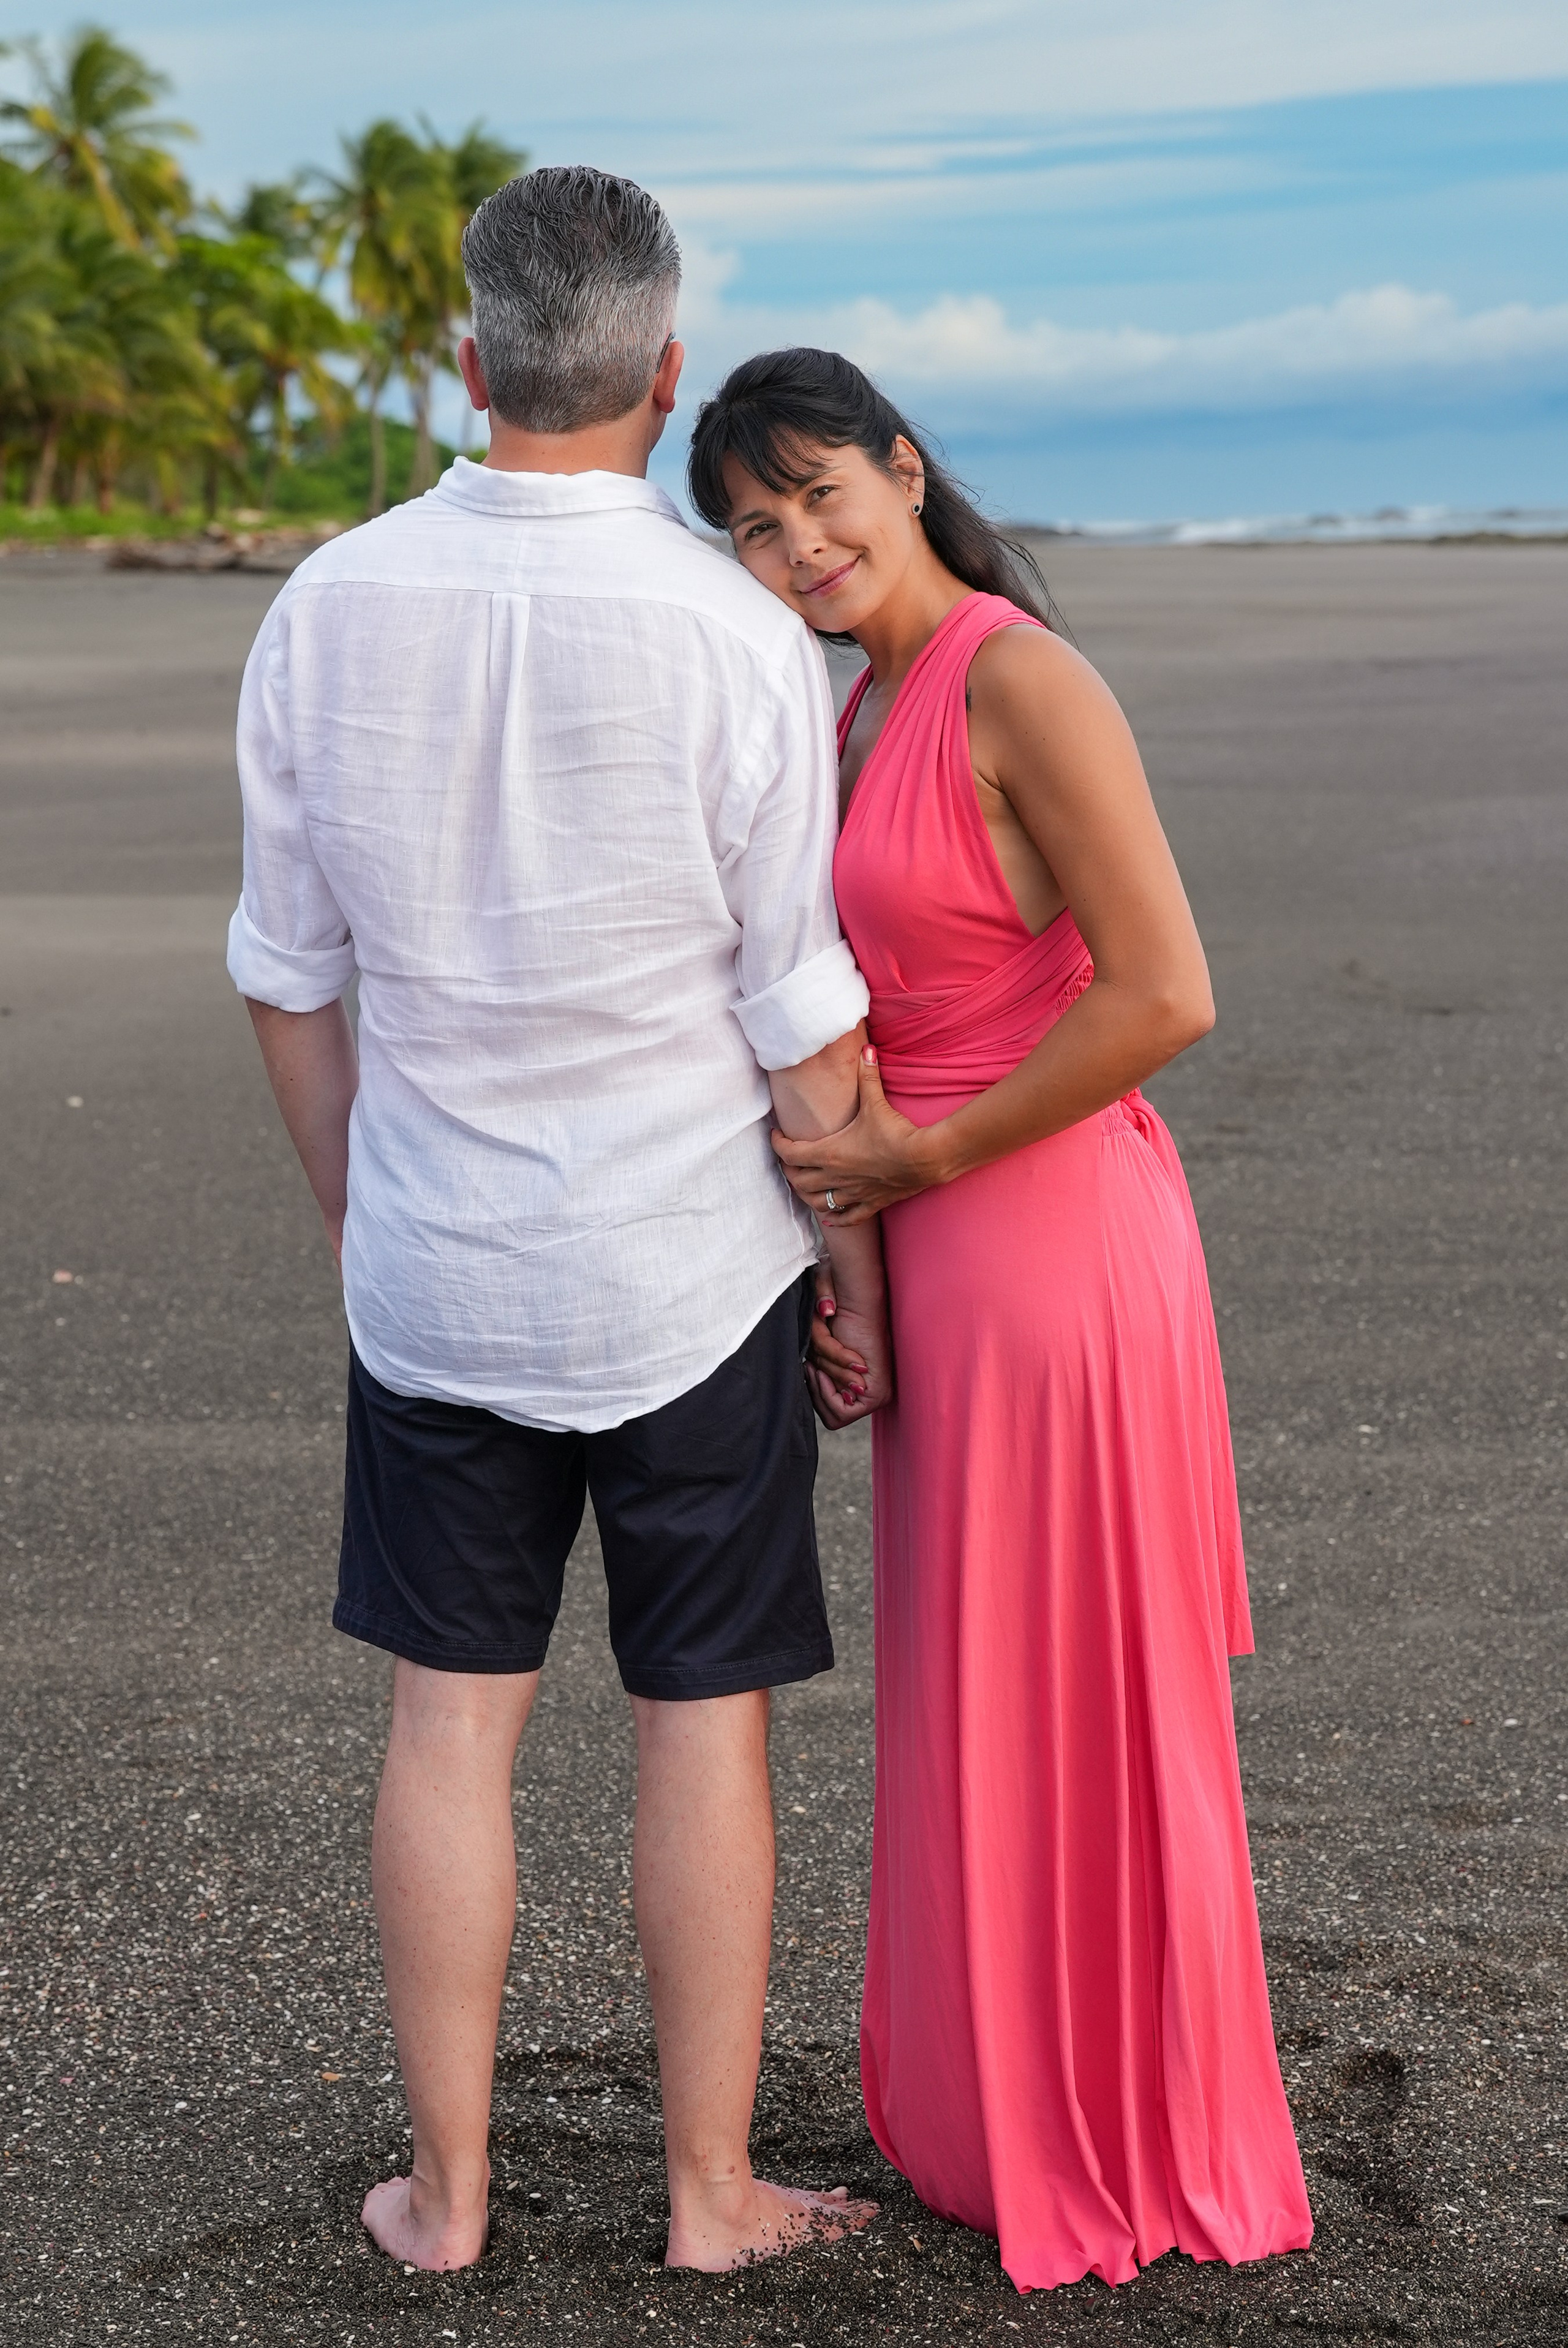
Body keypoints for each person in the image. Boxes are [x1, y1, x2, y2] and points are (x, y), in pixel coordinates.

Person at [227, 178, 889, 2275]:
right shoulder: (738, 629)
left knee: (449, 1722)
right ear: (666, 372)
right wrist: (851, 1267)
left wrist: (365, 1219)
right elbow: (798, 1008)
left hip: (436, 1274)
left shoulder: (329, 602)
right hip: (695, 1271)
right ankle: (709, 2195)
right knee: (705, 1723)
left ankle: (451, 2195)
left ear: (470, 360)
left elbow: (287, 972)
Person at [688, 347, 1314, 2293]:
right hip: (947, 1248)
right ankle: (1005, 2109)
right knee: (981, 1696)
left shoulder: (1019, 678)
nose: (801, 547)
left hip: (1049, 1239)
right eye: (754, 529)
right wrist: (852, 1253)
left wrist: (920, 1163)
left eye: (821, 498)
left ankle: (1136, 2121)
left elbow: (1168, 992)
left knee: (1097, 1692)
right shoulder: (861, 703)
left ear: (905, 462)